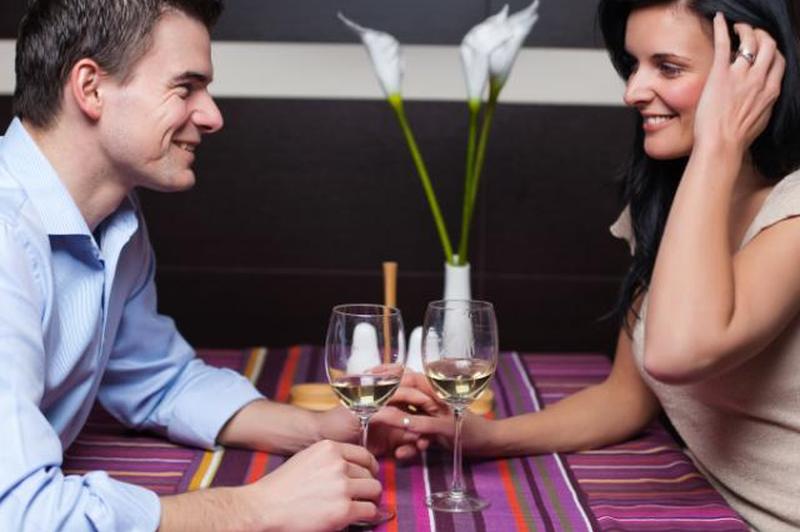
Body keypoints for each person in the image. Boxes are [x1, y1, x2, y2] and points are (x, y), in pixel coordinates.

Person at [0, 1, 432, 530]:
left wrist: (317, 429)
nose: (212, 115)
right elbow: (18, 513)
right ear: (90, 88)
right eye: (185, 88)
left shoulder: (116, 220)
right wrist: (255, 509)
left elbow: (159, 382)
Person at [397, 0, 800, 529]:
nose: (632, 91)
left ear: (753, 73)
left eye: (668, 67)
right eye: (633, 65)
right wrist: (486, 438)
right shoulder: (669, 205)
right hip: (720, 512)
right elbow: (626, 398)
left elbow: (676, 354)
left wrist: (719, 145)